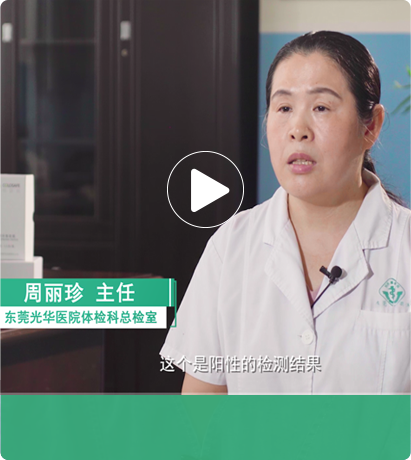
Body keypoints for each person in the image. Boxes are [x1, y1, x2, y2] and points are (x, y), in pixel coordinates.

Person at [160, 31, 410, 394]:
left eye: (321, 107)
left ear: (370, 126)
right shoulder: (231, 246)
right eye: (284, 108)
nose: (298, 130)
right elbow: (200, 410)